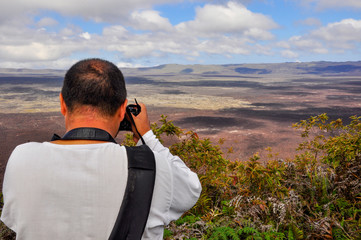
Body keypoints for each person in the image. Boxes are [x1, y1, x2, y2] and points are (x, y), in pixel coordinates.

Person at [1, 58, 202, 239]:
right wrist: (146, 135)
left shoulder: (22, 159)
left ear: (62, 104)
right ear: (123, 109)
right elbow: (191, 190)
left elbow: (14, 221)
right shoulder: (154, 167)